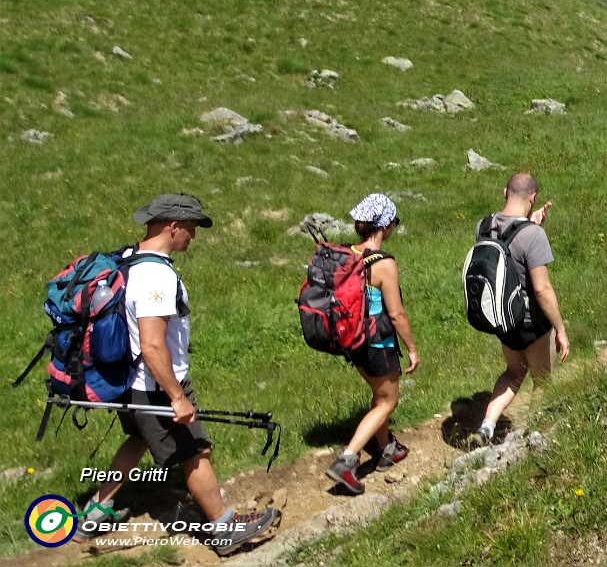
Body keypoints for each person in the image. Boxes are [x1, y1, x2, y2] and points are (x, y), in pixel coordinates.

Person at [73, 194, 279, 556]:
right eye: (192, 229)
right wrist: (177, 396)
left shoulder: (128, 260)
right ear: (173, 226)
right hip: (155, 385)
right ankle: (223, 527)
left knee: (137, 439)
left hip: (129, 381)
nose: (194, 237)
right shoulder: (156, 275)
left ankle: (95, 511)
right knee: (196, 450)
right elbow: (153, 346)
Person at [325, 193, 420, 494]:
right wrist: (413, 349)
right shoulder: (384, 264)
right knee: (388, 401)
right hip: (378, 344)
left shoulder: (346, 254)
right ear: (385, 226)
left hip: (352, 341)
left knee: (379, 397)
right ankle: (347, 460)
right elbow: (396, 313)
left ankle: (386, 449)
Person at [469, 173, 570, 447]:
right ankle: (529, 438)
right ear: (533, 197)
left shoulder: (484, 225)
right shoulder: (533, 235)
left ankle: (487, 426)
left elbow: (507, 242)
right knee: (542, 381)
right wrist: (560, 330)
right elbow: (542, 289)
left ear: (505, 192)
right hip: (531, 323)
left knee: (513, 372)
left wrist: (529, 223)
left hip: (502, 318)